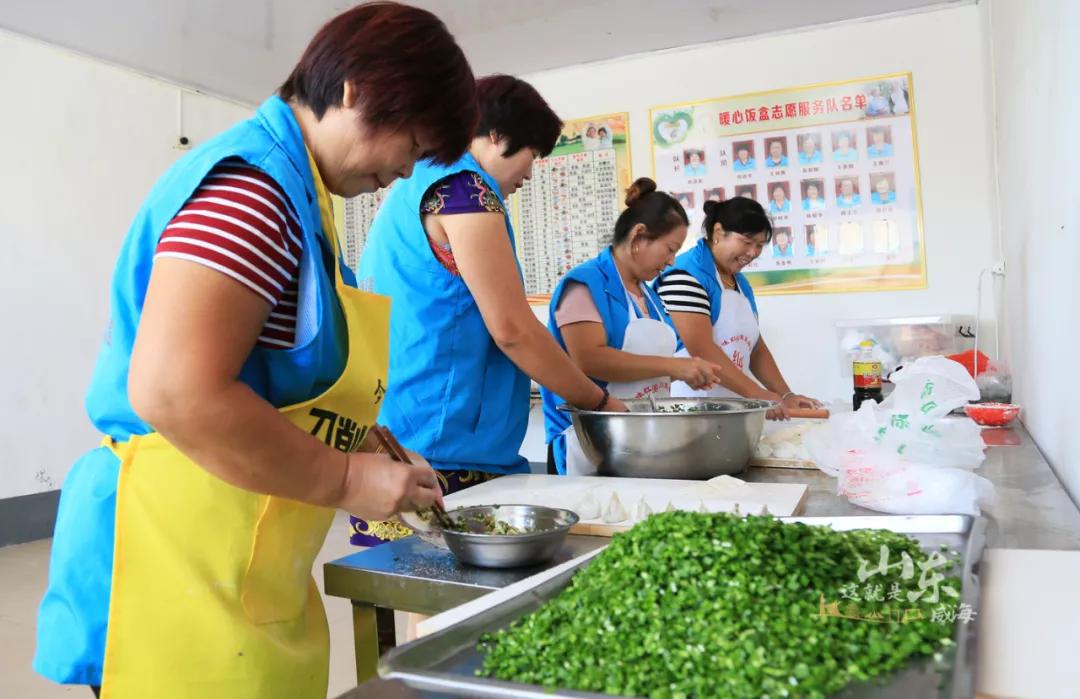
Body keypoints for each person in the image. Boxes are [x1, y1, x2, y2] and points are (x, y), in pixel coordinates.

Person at [33, 4, 476, 698]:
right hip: (174, 554)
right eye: (412, 141)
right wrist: (347, 482)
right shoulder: (254, 192)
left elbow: (279, 383)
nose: (403, 170)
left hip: (240, 555)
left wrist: (368, 452)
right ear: (356, 88)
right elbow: (176, 391)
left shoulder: (305, 199)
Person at [357, 75, 628, 544]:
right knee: (455, 591)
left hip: (402, 423)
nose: (530, 173)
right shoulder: (464, 191)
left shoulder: (413, 186)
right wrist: (600, 404)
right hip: (447, 443)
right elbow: (512, 331)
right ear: (497, 136)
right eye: (532, 155)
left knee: (421, 593)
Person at [543, 178, 723, 474]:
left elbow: (645, 368)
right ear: (639, 236)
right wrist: (673, 367)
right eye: (669, 249)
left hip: (639, 440)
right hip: (588, 443)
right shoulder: (585, 283)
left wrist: (688, 371)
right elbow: (588, 359)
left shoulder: (648, 296)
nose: (671, 261)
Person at [655, 198, 821, 418]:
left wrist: (785, 395)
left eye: (760, 245)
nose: (752, 252)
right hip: (686, 408)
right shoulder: (685, 274)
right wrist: (757, 395)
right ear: (718, 232)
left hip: (728, 409)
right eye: (747, 241)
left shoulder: (739, 282)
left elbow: (755, 348)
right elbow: (702, 350)